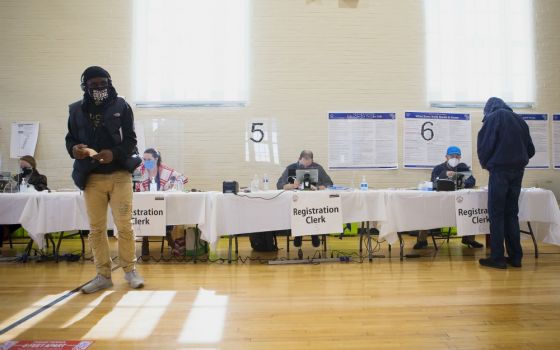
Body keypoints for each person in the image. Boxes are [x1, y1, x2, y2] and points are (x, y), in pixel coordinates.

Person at [65, 66, 144, 293]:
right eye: (93, 85)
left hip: (120, 175)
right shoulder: (75, 110)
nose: (99, 88)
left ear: (109, 83)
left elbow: (131, 141)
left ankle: (130, 271)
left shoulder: (122, 106)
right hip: (91, 178)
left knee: (124, 226)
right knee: (96, 229)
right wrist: (74, 149)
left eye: (103, 83)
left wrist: (114, 153)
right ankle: (103, 275)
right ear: (85, 87)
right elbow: (70, 138)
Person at [477, 97, 535, 269]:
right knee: (511, 214)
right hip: (518, 172)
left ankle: (497, 258)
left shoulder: (494, 117)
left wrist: (487, 164)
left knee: (496, 215)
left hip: (499, 171)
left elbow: (485, 145)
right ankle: (516, 257)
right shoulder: (520, 120)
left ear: (488, 109)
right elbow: (530, 149)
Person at [414, 146, 483, 249]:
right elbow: (433, 182)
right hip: (440, 202)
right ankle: (422, 240)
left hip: (459, 201)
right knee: (426, 210)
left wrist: (463, 182)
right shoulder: (439, 168)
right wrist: (445, 176)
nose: (454, 158)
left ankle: (469, 239)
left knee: (470, 210)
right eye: (452, 156)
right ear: (446, 157)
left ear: (460, 157)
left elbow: (472, 181)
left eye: (457, 156)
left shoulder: (463, 167)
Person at [136, 148, 189, 257]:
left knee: (166, 211)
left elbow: (182, 178)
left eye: (149, 159)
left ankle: (168, 238)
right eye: (144, 159)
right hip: (145, 206)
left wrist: (172, 183)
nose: (146, 162)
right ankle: (145, 241)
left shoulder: (165, 170)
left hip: (163, 205)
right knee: (142, 211)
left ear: (156, 159)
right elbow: (133, 184)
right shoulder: (140, 170)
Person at [276, 150, 333, 247]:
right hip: (297, 201)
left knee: (313, 210)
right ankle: (298, 234)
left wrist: (318, 188)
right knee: (300, 210)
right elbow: (279, 185)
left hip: (314, 201)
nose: (306, 166)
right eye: (303, 164)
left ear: (312, 160)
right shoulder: (291, 168)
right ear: (299, 159)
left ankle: (314, 233)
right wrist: (291, 185)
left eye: (309, 164)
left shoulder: (318, 168)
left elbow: (329, 183)